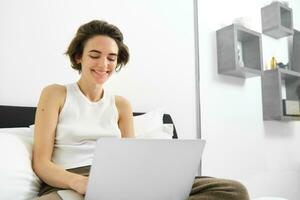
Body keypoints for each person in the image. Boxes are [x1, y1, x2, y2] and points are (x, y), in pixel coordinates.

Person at [32, 20, 250, 200]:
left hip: (119, 182)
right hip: (70, 183)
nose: (104, 64)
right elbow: (41, 163)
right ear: (79, 57)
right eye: (95, 55)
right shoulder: (56, 94)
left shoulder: (121, 105)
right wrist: (78, 182)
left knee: (234, 191)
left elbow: (131, 161)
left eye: (111, 57)